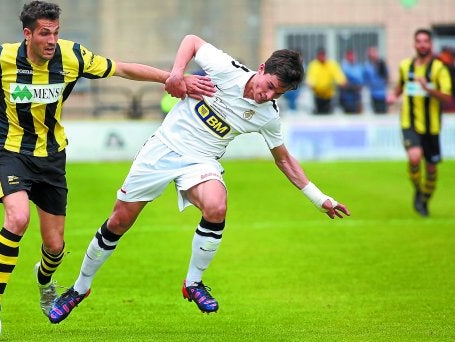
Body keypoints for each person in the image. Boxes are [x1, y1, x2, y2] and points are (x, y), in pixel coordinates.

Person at [0, 1, 214, 318]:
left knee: (56, 247)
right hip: (10, 151)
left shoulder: (73, 56)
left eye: (56, 33)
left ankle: (44, 280)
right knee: (18, 219)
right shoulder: (1, 57)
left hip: (51, 157)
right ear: (28, 33)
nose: (51, 41)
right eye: (45, 34)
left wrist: (171, 78)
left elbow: (122, 68)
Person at [47, 34, 351, 324]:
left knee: (217, 205)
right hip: (163, 149)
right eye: (269, 86)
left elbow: (283, 159)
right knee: (118, 222)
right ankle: (79, 288)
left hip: (200, 161)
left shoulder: (268, 115)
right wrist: (177, 75)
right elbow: (191, 40)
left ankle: (193, 282)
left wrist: (319, 197)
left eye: (278, 94)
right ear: (261, 69)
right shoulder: (225, 70)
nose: (268, 96)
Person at [387, 28, 452, 217]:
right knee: (414, 157)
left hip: (432, 126)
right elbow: (401, 86)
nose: (422, 44)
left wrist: (428, 89)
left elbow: (447, 98)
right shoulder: (406, 66)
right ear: (414, 44)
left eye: (425, 41)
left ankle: (425, 198)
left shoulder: (439, 68)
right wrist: (394, 95)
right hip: (410, 122)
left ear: (430, 44)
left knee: (431, 169)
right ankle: (418, 190)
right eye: (419, 41)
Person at [306, 47, 347, 114]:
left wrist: (341, 82)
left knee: (329, 114)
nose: (322, 57)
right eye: (320, 55)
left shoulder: (332, 64)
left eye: (323, 55)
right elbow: (310, 78)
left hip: (329, 96)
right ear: (317, 56)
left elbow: (339, 77)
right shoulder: (313, 65)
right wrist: (310, 84)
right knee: (319, 114)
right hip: (318, 96)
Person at [363, 46, 389, 114]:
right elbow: (365, 79)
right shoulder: (367, 65)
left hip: (382, 94)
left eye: (373, 52)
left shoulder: (381, 63)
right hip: (372, 94)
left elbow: (387, 77)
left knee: (382, 113)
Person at [339, 49, 364, 114]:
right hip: (347, 99)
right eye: (349, 55)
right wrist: (353, 85)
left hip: (357, 98)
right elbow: (343, 83)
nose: (351, 57)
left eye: (352, 55)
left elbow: (360, 82)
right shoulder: (343, 66)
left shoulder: (358, 66)